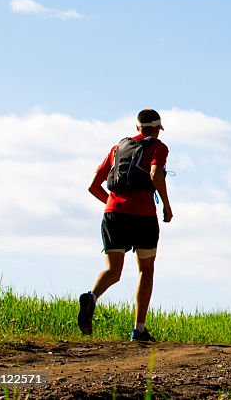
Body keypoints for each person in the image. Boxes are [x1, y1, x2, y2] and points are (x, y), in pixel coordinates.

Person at [77, 109, 173, 342]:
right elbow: (154, 173)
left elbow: (93, 186)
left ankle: (92, 297)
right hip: (143, 216)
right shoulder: (158, 147)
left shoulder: (117, 148)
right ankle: (139, 330)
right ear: (157, 129)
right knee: (145, 269)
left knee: (113, 270)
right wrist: (166, 207)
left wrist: (114, 203)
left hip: (113, 215)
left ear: (137, 127)